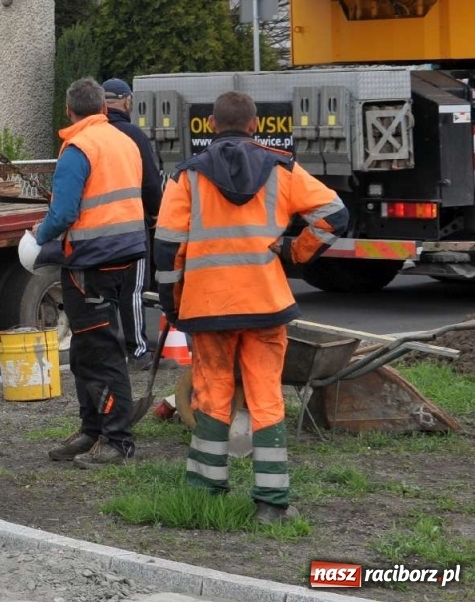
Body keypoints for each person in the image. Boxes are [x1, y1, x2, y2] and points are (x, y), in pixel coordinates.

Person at [153, 90, 347, 524]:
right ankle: (271, 504)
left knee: (213, 394)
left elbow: (167, 250)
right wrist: (296, 252)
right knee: (265, 397)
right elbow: (335, 214)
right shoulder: (282, 169)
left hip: (209, 308)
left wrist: (174, 304)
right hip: (266, 304)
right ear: (255, 124)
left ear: (211, 126)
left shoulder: (187, 176)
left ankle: (206, 493)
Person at [32, 77, 149, 468]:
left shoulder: (78, 148)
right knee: (86, 349)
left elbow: (63, 213)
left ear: (69, 110)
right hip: (125, 254)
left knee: (100, 351)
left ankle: (116, 440)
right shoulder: (124, 141)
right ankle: (93, 431)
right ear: (103, 107)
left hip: (91, 261)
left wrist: (38, 236)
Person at [101, 78, 163, 359]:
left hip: (97, 228)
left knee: (103, 292)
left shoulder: (91, 135)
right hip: (132, 227)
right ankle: (137, 348)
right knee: (133, 290)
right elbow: (150, 182)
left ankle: (109, 348)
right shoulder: (133, 135)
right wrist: (156, 211)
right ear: (127, 102)